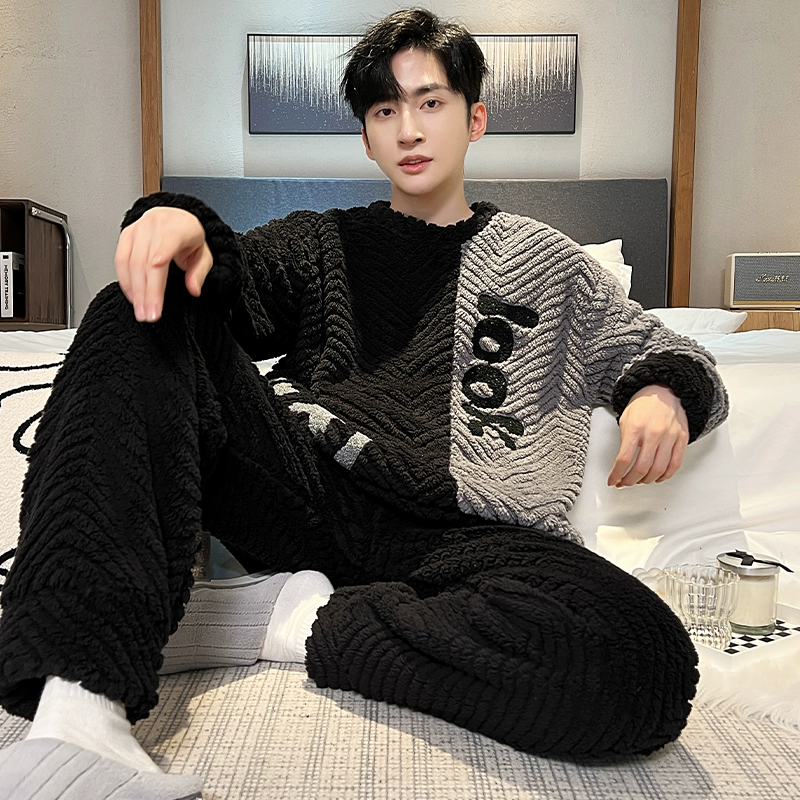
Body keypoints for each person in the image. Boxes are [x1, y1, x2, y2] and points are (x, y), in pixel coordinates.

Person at [0, 8, 727, 798]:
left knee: (643, 663)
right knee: (142, 300)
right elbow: (224, 280)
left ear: (475, 119)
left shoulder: (550, 263)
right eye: (385, 110)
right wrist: (177, 220)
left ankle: (274, 617)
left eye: (431, 102)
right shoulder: (323, 242)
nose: (408, 128)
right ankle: (79, 706)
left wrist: (664, 391)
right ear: (367, 139)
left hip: (474, 540)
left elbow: (666, 348)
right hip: (311, 498)